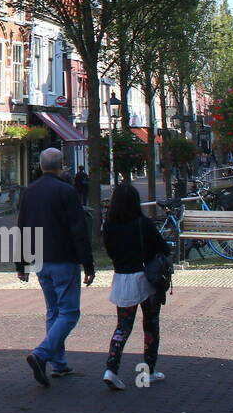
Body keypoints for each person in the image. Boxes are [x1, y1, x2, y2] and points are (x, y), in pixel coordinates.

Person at [16, 148, 95, 386]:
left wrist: (21, 264)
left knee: (53, 311)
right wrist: (88, 264)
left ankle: (59, 364)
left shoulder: (29, 192)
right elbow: (78, 230)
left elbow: (23, 228)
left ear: (41, 166)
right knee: (69, 312)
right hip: (64, 259)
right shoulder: (67, 191)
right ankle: (42, 354)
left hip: (41, 260)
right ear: (62, 166)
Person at [101, 183, 168, 390]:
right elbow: (162, 247)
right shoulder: (143, 223)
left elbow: (110, 252)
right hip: (144, 278)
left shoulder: (108, 226)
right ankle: (149, 370)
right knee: (150, 323)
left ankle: (111, 368)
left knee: (123, 326)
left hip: (122, 278)